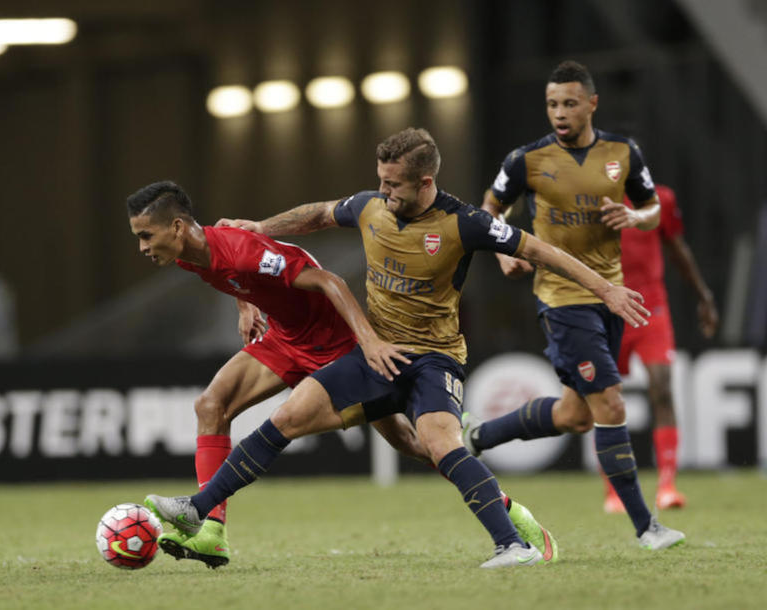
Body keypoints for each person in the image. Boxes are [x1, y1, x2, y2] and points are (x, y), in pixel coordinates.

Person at [144, 127, 652, 568]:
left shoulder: (465, 222)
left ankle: (512, 539)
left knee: (435, 443)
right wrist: (262, 228)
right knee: (287, 418)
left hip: (434, 357)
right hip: (374, 353)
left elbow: (538, 248)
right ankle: (199, 509)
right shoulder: (369, 206)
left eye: (393, 184)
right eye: (381, 179)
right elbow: (319, 215)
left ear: (425, 182)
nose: (382, 191)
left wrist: (605, 289)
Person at [128, 179, 553, 569]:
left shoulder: (240, 248)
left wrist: (367, 342)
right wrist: (247, 305)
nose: (143, 247)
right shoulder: (186, 255)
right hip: (286, 337)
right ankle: (210, 533)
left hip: (335, 342)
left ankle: (509, 510)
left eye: (146, 235)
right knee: (211, 405)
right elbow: (237, 277)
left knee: (412, 442)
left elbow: (329, 280)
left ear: (179, 226)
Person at [461, 60, 685, 550]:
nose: (559, 113)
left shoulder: (623, 154)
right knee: (610, 403)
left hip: (612, 296)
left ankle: (478, 437)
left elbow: (652, 212)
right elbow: (489, 210)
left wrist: (633, 214)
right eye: (551, 104)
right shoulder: (527, 160)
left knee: (576, 415)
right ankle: (647, 527)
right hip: (562, 301)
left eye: (568, 103)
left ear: (591, 104)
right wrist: (504, 256)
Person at [603, 183, 718, 514]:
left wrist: (703, 296)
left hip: (652, 309)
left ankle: (667, 486)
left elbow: (676, 247)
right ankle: (613, 489)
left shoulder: (660, 199)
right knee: (605, 399)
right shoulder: (592, 197)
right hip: (609, 309)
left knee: (663, 389)